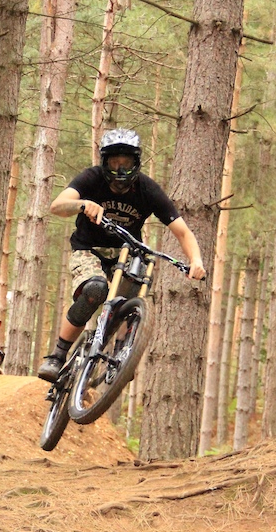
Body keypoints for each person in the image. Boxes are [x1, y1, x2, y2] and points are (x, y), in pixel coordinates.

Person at [37, 128, 206, 382]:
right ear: (104, 162)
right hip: (88, 250)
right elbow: (57, 206)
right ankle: (57, 356)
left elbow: (182, 231)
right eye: (114, 162)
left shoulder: (147, 189)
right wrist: (82, 205)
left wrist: (196, 261)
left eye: (125, 163)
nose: (119, 170)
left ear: (135, 163)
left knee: (131, 301)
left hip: (125, 254)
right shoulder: (91, 179)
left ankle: (122, 355)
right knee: (95, 290)